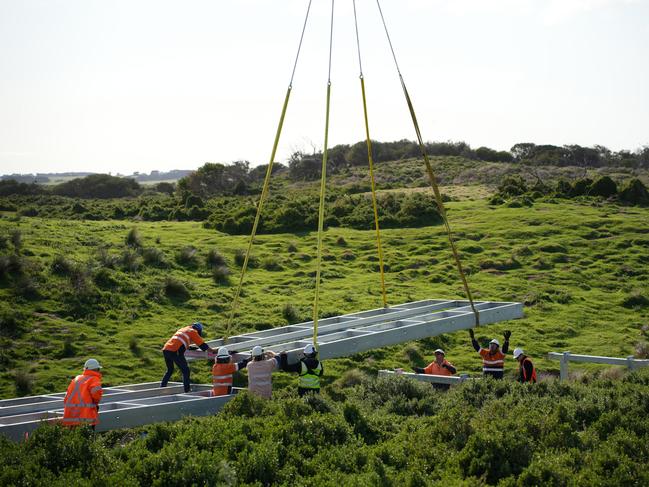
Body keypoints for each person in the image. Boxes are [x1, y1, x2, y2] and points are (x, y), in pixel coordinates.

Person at [161, 322, 216, 393]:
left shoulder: (184, 329)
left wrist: (189, 347)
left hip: (166, 349)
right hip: (175, 351)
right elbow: (203, 346)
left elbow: (180, 341)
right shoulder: (193, 332)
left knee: (170, 370)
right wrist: (214, 351)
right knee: (186, 371)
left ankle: (162, 387)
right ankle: (187, 390)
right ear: (198, 330)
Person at [62, 358, 104, 429]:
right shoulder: (94, 379)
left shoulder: (76, 379)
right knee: (86, 438)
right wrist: (95, 404)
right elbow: (96, 395)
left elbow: (66, 398)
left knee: (72, 438)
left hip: (70, 416)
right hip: (85, 416)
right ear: (96, 369)